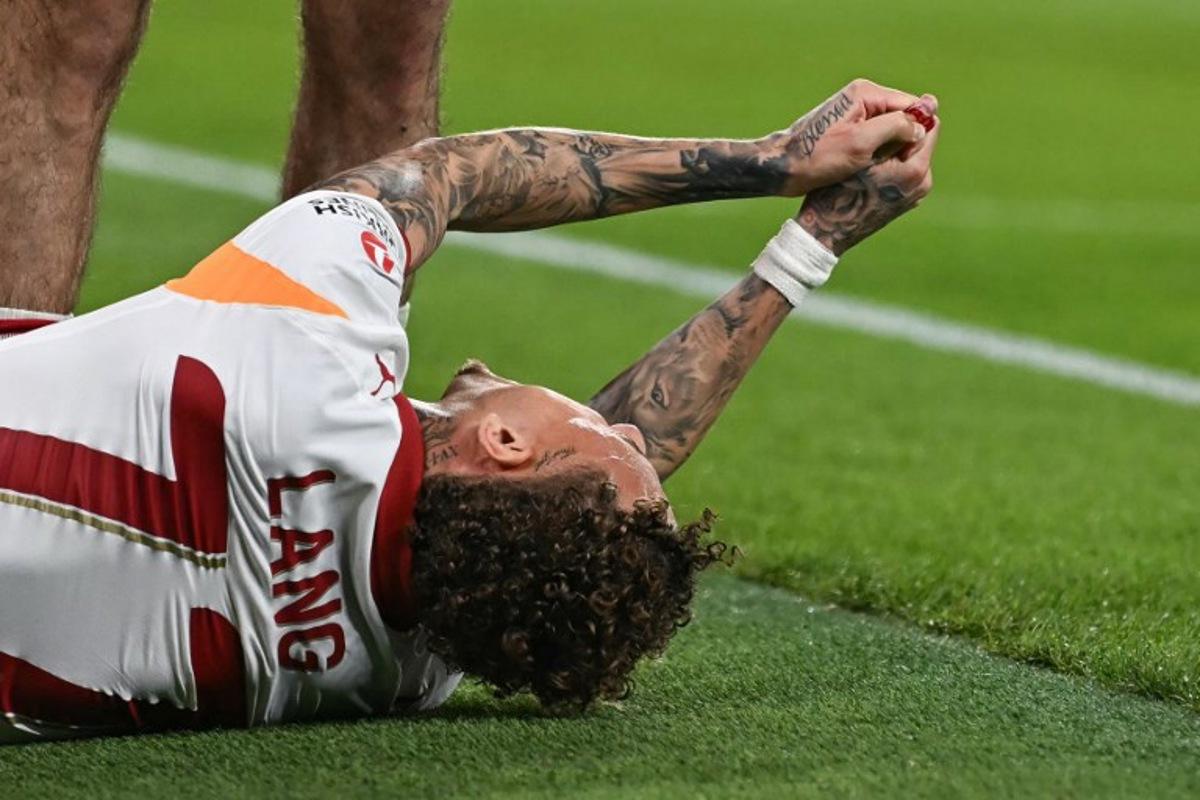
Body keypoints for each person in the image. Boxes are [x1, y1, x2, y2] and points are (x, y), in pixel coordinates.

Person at [0, 4, 939, 748]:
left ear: (505, 442)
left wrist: (773, 163)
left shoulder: (307, 350)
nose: (617, 422)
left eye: (597, 432)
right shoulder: (399, 670)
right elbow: (602, 498)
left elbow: (459, 174)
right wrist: (809, 248)